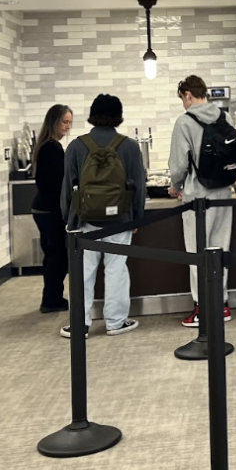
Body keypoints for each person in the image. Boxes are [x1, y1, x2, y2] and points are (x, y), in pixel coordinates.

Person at [59, 94, 143, 339]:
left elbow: (67, 187)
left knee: (83, 274)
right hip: (120, 220)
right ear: (118, 116)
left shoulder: (76, 146)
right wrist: (136, 218)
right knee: (116, 270)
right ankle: (115, 323)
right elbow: (138, 186)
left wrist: (69, 218)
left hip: (84, 222)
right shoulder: (128, 146)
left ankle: (80, 325)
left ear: (93, 115)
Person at [168, 75, 235, 328]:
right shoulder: (224, 117)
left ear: (187, 94)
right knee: (220, 248)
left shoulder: (185, 122)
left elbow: (178, 165)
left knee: (198, 252)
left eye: (182, 99)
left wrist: (176, 187)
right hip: (224, 193)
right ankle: (222, 304)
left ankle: (202, 308)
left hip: (197, 195)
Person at [31, 103, 73, 314]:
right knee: (57, 256)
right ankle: (51, 299)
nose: (67, 126)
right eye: (64, 122)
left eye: (69, 123)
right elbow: (58, 182)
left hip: (43, 208)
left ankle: (52, 297)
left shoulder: (46, 146)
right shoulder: (52, 148)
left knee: (53, 255)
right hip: (50, 211)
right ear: (54, 121)